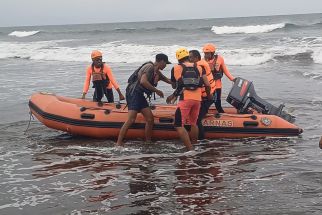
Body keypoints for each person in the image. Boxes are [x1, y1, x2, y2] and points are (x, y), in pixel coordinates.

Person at [116, 53, 172, 146]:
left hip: (139, 95)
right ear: (161, 61)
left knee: (150, 119)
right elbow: (143, 81)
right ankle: (118, 143)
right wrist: (156, 90)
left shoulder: (157, 72)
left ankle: (148, 142)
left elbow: (169, 81)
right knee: (131, 120)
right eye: (165, 63)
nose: (166, 66)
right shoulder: (149, 67)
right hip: (133, 93)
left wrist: (180, 80)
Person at [167, 48, 212, 151]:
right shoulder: (199, 67)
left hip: (185, 99)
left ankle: (190, 149)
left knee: (178, 125)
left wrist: (173, 95)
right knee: (194, 123)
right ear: (188, 57)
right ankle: (194, 144)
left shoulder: (176, 68)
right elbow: (208, 85)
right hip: (198, 100)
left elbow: (175, 86)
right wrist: (209, 95)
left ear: (178, 59)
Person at [189, 50, 216, 140]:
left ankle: (201, 140)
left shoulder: (199, 67)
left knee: (196, 120)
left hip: (208, 97)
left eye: (191, 57)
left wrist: (208, 96)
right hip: (209, 94)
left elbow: (207, 85)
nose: (189, 59)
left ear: (197, 58)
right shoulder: (202, 63)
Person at [203, 43, 235, 113]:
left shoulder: (219, 59)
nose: (206, 55)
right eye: (205, 53)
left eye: (207, 53)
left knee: (217, 102)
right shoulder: (202, 61)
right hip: (208, 86)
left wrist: (232, 79)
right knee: (207, 101)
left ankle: (221, 113)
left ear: (213, 52)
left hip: (217, 85)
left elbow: (225, 70)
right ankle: (202, 112)